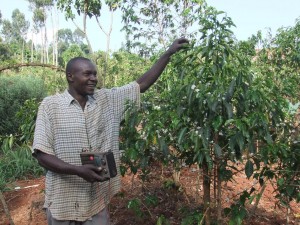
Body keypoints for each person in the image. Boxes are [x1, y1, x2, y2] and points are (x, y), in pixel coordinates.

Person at [32, 38, 189, 225]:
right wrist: (78, 171)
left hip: (96, 201)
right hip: (63, 202)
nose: (94, 79)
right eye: (87, 74)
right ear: (70, 76)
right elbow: (42, 155)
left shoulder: (106, 100)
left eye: (95, 74)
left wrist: (168, 53)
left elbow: (141, 85)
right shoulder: (51, 106)